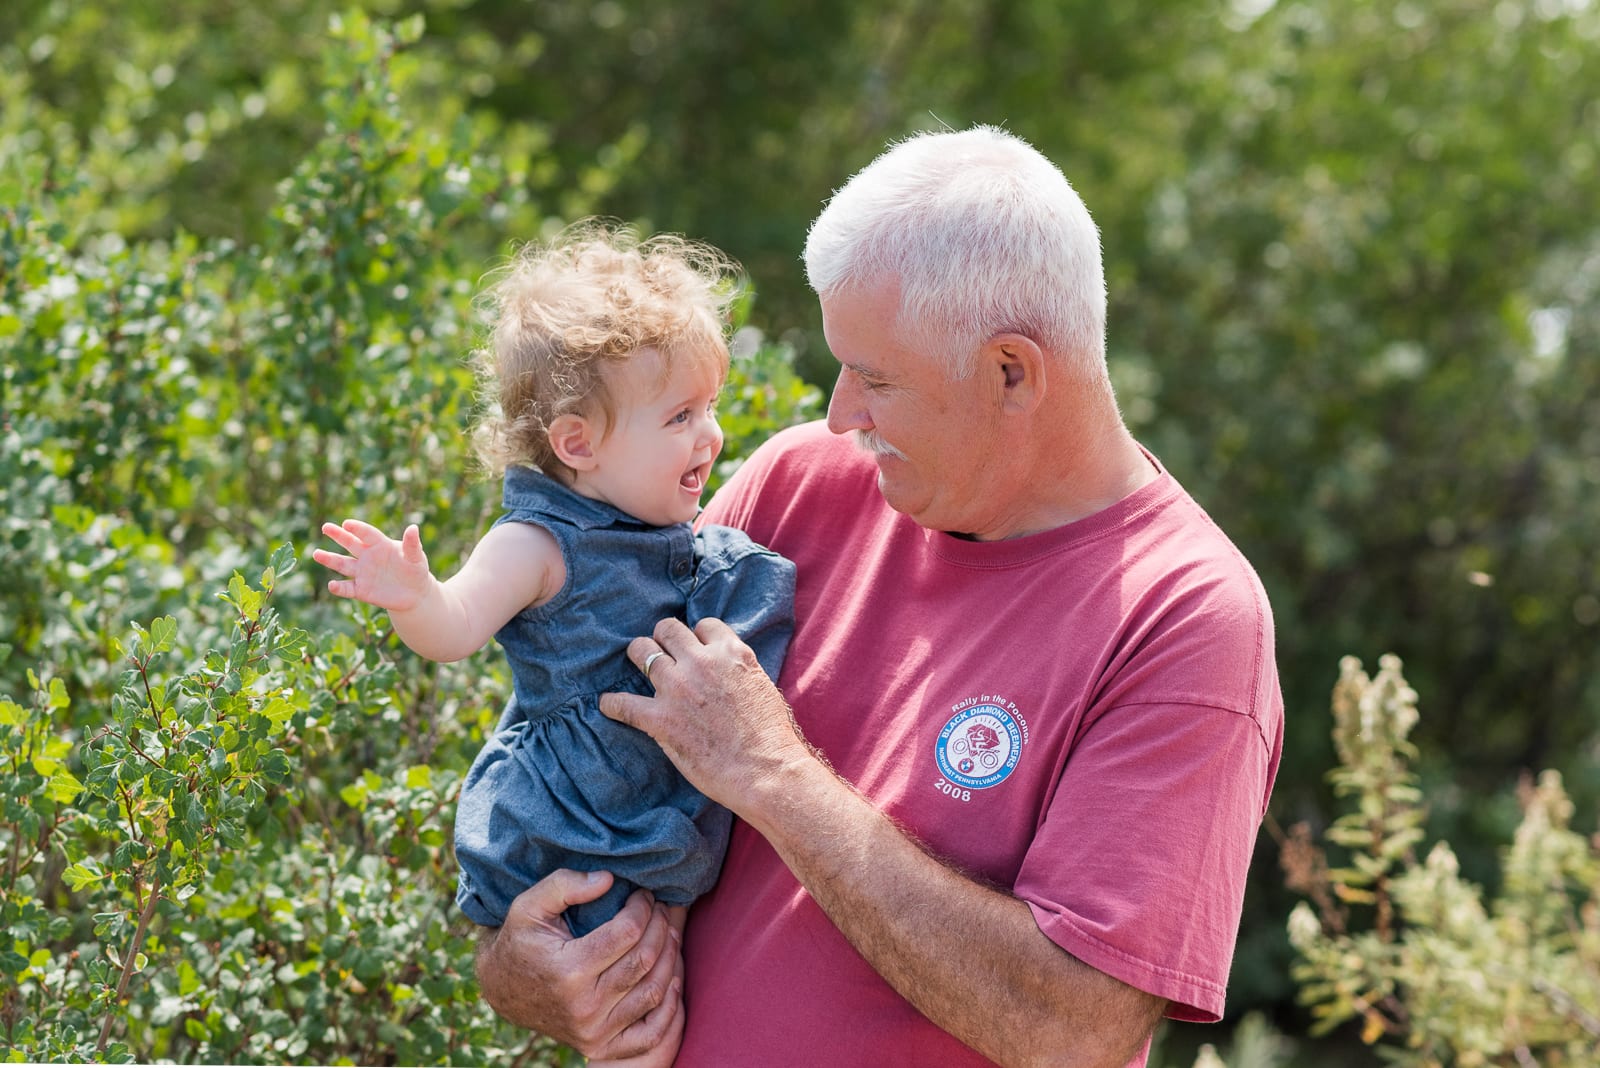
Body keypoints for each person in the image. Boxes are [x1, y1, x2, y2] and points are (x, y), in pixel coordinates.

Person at [473, 127, 1284, 1068]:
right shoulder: (794, 485)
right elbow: (560, 758)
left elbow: (1077, 1029)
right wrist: (519, 965)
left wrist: (774, 773)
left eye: (878, 379)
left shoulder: (1187, 619)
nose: (838, 412)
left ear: (1012, 372)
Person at [312, 224, 795, 940]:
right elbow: (456, 626)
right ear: (577, 444)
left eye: (710, 408)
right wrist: (418, 597)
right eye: (681, 416)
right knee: (626, 978)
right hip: (585, 821)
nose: (711, 436)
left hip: (656, 794)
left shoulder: (649, 518)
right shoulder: (535, 543)